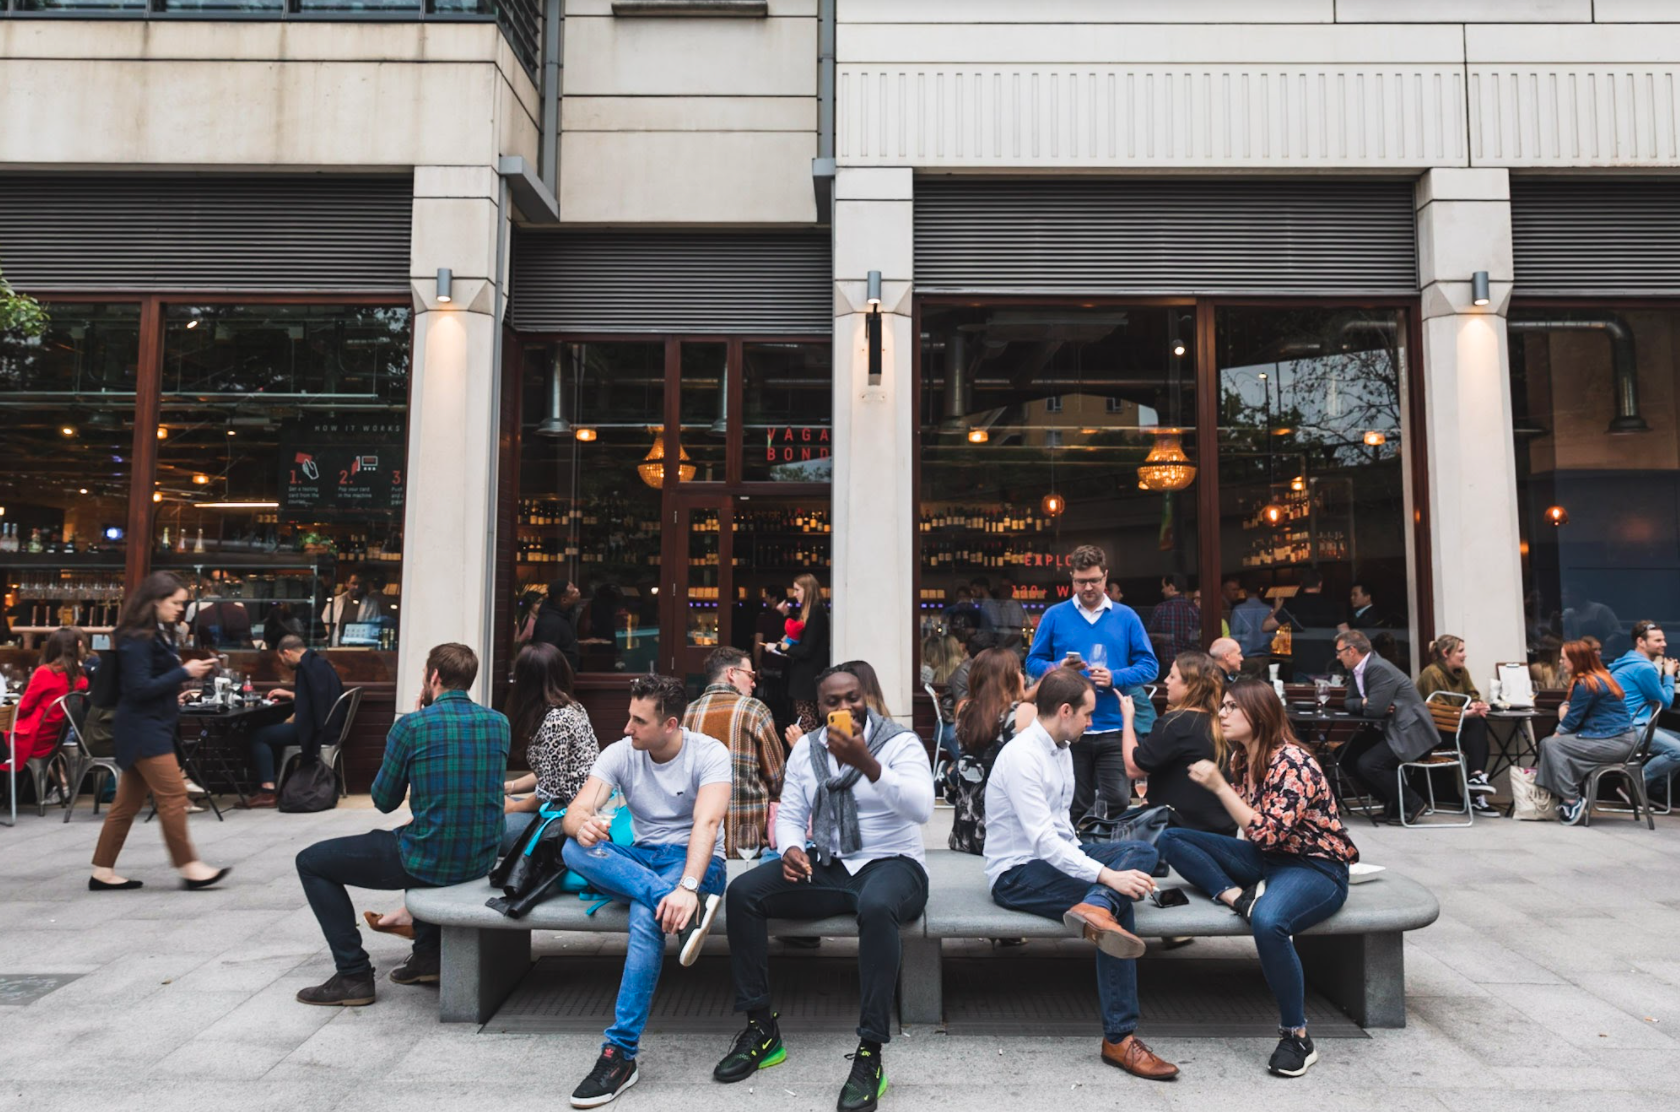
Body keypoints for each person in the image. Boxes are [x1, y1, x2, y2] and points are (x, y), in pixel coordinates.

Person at [713, 665, 933, 1112]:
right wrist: (792, 848)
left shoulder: (899, 743)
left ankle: (870, 1052)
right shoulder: (807, 750)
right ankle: (761, 1029)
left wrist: (867, 763)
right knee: (744, 893)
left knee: (876, 906)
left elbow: (922, 808)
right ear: (819, 707)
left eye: (852, 697)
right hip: (830, 862)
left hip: (894, 862)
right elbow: (792, 814)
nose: (845, 707)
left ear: (865, 697)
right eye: (833, 701)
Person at [984, 667, 1179, 1080]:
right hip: (1017, 873)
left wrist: (1104, 871)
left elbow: (1063, 830)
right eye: (1088, 714)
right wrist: (1107, 876)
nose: (1091, 723)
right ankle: (1119, 1039)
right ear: (1065, 710)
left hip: (1060, 856)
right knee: (1121, 907)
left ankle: (1096, 907)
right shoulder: (1022, 757)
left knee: (1142, 850)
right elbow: (1043, 842)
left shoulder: (1062, 749)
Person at [1158, 679, 1358, 1077]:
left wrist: (1219, 788)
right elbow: (1254, 836)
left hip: (1316, 867)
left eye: (1232, 707)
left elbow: (1266, 833)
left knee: (1269, 921)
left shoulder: (1294, 763)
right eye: (1223, 706)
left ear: (1260, 714)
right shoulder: (1242, 757)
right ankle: (1239, 898)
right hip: (1269, 859)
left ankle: (1296, 1036)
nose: (1222, 714)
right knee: (1172, 838)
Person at [293, 643, 507, 1006]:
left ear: (434, 676)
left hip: (429, 857)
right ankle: (428, 956)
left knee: (311, 861)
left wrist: (408, 731)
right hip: (478, 858)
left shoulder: (411, 726)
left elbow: (384, 800)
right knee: (421, 833)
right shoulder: (499, 722)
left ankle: (353, 974)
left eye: (424, 672)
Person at [560, 674, 729, 1108]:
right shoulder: (621, 753)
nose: (627, 728)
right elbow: (576, 810)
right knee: (573, 849)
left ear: (670, 725)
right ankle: (674, 907)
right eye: (629, 717)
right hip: (643, 859)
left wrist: (687, 887)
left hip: (696, 864)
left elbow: (707, 824)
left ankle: (619, 1054)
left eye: (639, 721)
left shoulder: (709, 753)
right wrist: (583, 826)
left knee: (644, 915)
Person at [89, 573, 225, 892]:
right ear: (154, 601)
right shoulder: (137, 637)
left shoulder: (153, 634)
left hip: (147, 725)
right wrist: (184, 672)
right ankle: (189, 866)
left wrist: (175, 688)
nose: (180, 608)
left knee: (126, 805)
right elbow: (137, 688)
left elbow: (147, 684)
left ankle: (103, 871)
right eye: (175, 602)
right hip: (143, 728)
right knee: (174, 797)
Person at [1026, 545, 1158, 824]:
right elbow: (1032, 663)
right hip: (1067, 728)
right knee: (1072, 804)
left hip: (1114, 726)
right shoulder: (1055, 615)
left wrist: (1115, 677)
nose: (1088, 587)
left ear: (1105, 576)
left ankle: (1112, 851)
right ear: (1072, 578)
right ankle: (1076, 851)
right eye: (1081, 581)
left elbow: (1150, 666)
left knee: (1118, 802)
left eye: (1094, 580)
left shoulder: (1126, 616)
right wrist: (1059, 668)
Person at [685, 646, 784, 857]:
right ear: (731, 673)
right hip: (746, 844)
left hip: (698, 846)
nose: (754, 683)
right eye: (750, 675)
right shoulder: (754, 710)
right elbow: (777, 778)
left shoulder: (686, 713)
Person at [1123, 651, 1236, 835]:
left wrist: (1128, 718)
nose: (1166, 681)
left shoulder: (1175, 724)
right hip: (1221, 830)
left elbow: (1134, 769)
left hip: (1178, 832)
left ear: (1190, 685)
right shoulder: (1223, 723)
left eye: (1172, 676)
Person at [501, 642, 598, 850]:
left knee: (486, 828)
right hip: (566, 808)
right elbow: (551, 774)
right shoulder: (572, 707)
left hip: (562, 816)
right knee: (491, 810)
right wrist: (509, 787)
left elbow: (549, 794)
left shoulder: (555, 721)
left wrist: (513, 807)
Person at [1334, 630, 1437, 824]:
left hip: (1409, 733)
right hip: (1387, 730)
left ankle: (1412, 803)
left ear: (1352, 650)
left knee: (1369, 764)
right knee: (1344, 755)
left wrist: (1369, 705)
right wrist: (1364, 702)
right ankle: (1392, 802)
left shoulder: (1378, 668)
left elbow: (1375, 710)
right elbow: (1349, 702)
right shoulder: (1356, 669)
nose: (1338, 656)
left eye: (1339, 652)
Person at [946, 648, 1035, 854]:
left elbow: (993, 710)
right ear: (1011, 678)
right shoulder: (1025, 714)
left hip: (964, 835)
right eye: (1019, 671)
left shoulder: (964, 709)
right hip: (1002, 839)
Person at [239, 634, 345, 808]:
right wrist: (291, 695)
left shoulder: (305, 668)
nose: (283, 663)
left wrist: (291, 719)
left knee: (259, 736)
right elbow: (317, 697)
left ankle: (267, 791)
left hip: (316, 731)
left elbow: (310, 706)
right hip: (330, 726)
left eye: (281, 658)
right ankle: (277, 783)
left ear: (287, 653)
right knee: (272, 730)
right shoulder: (319, 663)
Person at [1541, 639, 1637, 825]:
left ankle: (1571, 800)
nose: (1560, 662)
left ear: (1576, 660)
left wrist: (1556, 735)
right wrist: (1565, 706)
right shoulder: (1598, 678)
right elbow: (1576, 710)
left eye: (1563, 658)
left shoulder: (1586, 683)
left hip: (1614, 742)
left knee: (1551, 745)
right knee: (1551, 746)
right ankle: (1561, 797)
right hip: (1618, 739)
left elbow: (1571, 720)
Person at [1415, 635, 1499, 816]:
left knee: (1478, 730)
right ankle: (1475, 792)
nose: (1465, 655)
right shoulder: (1432, 673)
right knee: (1476, 734)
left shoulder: (1462, 672)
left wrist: (1476, 705)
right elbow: (1437, 712)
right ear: (1446, 653)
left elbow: (1472, 694)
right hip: (1431, 734)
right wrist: (1466, 713)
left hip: (1454, 728)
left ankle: (1476, 779)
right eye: (1460, 651)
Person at [1608, 619, 1680, 804]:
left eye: (1663, 639)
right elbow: (1665, 703)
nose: (1664, 644)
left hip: (1622, 725)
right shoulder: (1644, 667)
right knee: (1678, 751)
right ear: (1641, 641)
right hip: (1631, 729)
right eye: (1657, 640)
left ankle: (1654, 791)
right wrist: (1669, 675)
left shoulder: (1627, 661)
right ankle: (1633, 786)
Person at [7, 627, 89, 774]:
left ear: (52, 647)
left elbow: (23, 708)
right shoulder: (81, 678)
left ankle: (8, 785)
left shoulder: (45, 672)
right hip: (55, 739)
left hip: (34, 737)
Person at [776, 573, 830, 732]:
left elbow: (806, 649)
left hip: (808, 680)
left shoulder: (815, 612)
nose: (794, 594)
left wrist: (783, 648)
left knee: (807, 720)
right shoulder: (812, 612)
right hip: (807, 679)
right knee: (807, 718)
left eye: (797, 590)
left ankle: (809, 747)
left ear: (808, 590)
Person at [1275, 570, 1342, 676]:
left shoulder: (1293, 605)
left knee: (1302, 687)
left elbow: (1266, 626)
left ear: (1301, 584)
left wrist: (1277, 608)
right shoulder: (1332, 605)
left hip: (1302, 664)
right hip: (1327, 663)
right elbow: (1345, 632)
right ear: (1320, 584)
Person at [1145, 574, 1200, 673]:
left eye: (1163, 587)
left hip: (1169, 664)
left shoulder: (1161, 608)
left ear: (1171, 587)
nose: (1162, 590)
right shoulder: (1194, 609)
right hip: (1191, 663)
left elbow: (1150, 636)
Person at [533, 579, 583, 676]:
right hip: (556, 678)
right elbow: (544, 657)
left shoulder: (565, 614)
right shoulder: (550, 623)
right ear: (564, 600)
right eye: (572, 591)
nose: (577, 590)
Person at [321, 573, 385, 647]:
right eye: (354, 583)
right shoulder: (335, 602)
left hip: (361, 649)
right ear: (346, 583)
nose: (357, 587)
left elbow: (374, 628)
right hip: (337, 647)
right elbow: (326, 622)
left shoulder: (372, 604)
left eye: (360, 584)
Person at [1229, 580, 1276, 661]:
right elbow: (1273, 633)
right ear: (1259, 591)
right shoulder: (1269, 609)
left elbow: (1235, 636)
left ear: (1245, 592)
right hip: (1264, 657)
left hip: (1245, 657)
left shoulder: (1239, 609)